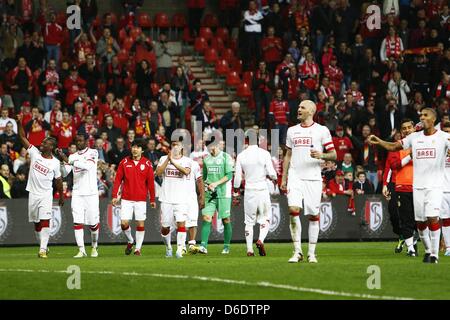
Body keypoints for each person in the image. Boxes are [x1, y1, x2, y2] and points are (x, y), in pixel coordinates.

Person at [369, 108, 450, 264]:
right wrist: (379, 141)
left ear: (433, 119)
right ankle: (427, 251)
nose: (422, 117)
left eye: (425, 115)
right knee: (420, 223)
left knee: (433, 218)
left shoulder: (444, 137)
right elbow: (393, 147)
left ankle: (434, 255)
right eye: (421, 115)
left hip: (435, 186)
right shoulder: (414, 137)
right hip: (417, 187)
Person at [281, 100, 337, 263]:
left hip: (313, 177)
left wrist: (322, 155)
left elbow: (333, 154)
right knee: (293, 209)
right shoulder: (292, 131)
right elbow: (288, 155)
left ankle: (311, 253)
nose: (298, 109)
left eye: (302, 107)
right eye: (298, 107)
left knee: (313, 215)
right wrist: (284, 178)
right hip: (295, 176)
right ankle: (297, 251)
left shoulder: (322, 130)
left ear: (311, 111)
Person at [16, 114, 64, 259]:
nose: (41, 144)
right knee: (36, 223)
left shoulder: (55, 162)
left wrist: (61, 196)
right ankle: (43, 245)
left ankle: (42, 249)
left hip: (46, 195)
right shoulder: (35, 153)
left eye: (45, 143)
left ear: (51, 147)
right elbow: (22, 137)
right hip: (33, 194)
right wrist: (19, 123)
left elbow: (58, 181)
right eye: (42, 142)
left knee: (45, 220)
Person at [233, 133, 277, 256]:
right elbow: (272, 172)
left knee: (249, 221)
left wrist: (236, 190)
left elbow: (237, 177)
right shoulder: (264, 154)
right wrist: (274, 178)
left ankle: (249, 250)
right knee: (265, 218)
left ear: (246, 140)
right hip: (262, 190)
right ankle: (260, 240)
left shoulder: (241, 156)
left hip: (249, 191)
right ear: (258, 140)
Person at [58, 134, 100, 258]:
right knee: (77, 222)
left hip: (91, 193)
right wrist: (62, 162)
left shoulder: (93, 152)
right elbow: (65, 173)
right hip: (77, 193)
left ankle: (94, 246)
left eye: (81, 140)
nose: (78, 143)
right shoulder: (72, 156)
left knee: (93, 224)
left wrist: (68, 160)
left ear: (86, 141)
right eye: (76, 141)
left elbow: (88, 166)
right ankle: (81, 250)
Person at [112, 139, 156, 256]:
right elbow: (117, 180)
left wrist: (152, 199)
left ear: (142, 150)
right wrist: (115, 196)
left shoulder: (147, 164)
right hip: (126, 198)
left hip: (141, 199)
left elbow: (151, 183)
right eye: (133, 147)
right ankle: (131, 240)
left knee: (140, 224)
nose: (135, 149)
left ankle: (137, 249)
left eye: (137, 147)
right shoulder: (124, 162)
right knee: (124, 224)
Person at [155, 140, 192, 258]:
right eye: (173, 145)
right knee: (165, 227)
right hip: (166, 198)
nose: (175, 147)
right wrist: (168, 159)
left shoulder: (187, 160)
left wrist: (173, 162)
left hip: (181, 198)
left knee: (181, 223)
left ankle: (180, 249)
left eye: (178, 145)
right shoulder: (163, 158)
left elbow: (186, 172)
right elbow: (158, 172)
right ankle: (169, 247)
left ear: (182, 148)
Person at [199, 141, 234, 254]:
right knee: (206, 218)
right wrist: (203, 191)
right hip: (210, 194)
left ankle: (226, 247)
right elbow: (204, 177)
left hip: (223, 193)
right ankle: (203, 246)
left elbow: (229, 175)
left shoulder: (226, 157)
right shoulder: (206, 159)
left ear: (218, 145)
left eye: (213, 147)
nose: (211, 150)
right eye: (209, 148)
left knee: (226, 219)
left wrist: (216, 183)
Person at [184, 149, 205, 254]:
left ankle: (191, 244)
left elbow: (200, 180)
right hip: (177, 197)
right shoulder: (171, 163)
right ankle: (181, 245)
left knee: (192, 221)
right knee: (180, 222)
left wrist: (202, 196)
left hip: (191, 197)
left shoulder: (194, 164)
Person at [441, 121, 450, 256]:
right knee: (445, 218)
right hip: (442, 188)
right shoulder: (438, 147)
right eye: (446, 132)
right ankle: (448, 247)